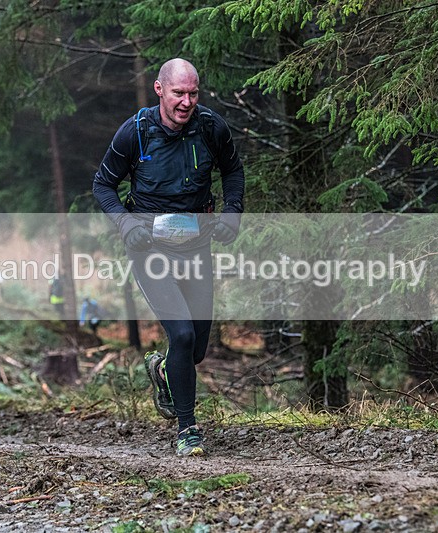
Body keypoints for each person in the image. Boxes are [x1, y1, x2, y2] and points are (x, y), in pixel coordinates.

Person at [93, 58, 245, 456]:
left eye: (193, 93)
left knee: (194, 347)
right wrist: (127, 226)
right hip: (150, 250)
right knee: (179, 334)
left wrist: (232, 211)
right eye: (179, 93)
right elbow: (103, 185)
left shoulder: (211, 127)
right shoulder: (136, 133)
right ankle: (187, 429)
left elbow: (233, 171)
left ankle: (164, 370)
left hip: (195, 247)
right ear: (160, 90)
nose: (187, 101)